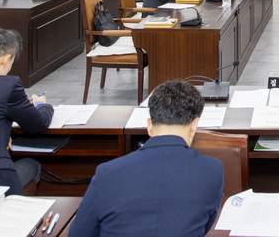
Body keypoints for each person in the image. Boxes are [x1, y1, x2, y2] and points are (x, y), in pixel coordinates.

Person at [69, 81, 224, 236]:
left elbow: (78, 233)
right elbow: (205, 225)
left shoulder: (107, 173)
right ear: (194, 125)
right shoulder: (212, 171)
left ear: (149, 125)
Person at [0, 29, 53, 195]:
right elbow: (38, 124)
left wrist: (0, 134)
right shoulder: (7, 86)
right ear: (5, 60)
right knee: (32, 165)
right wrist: (43, 105)